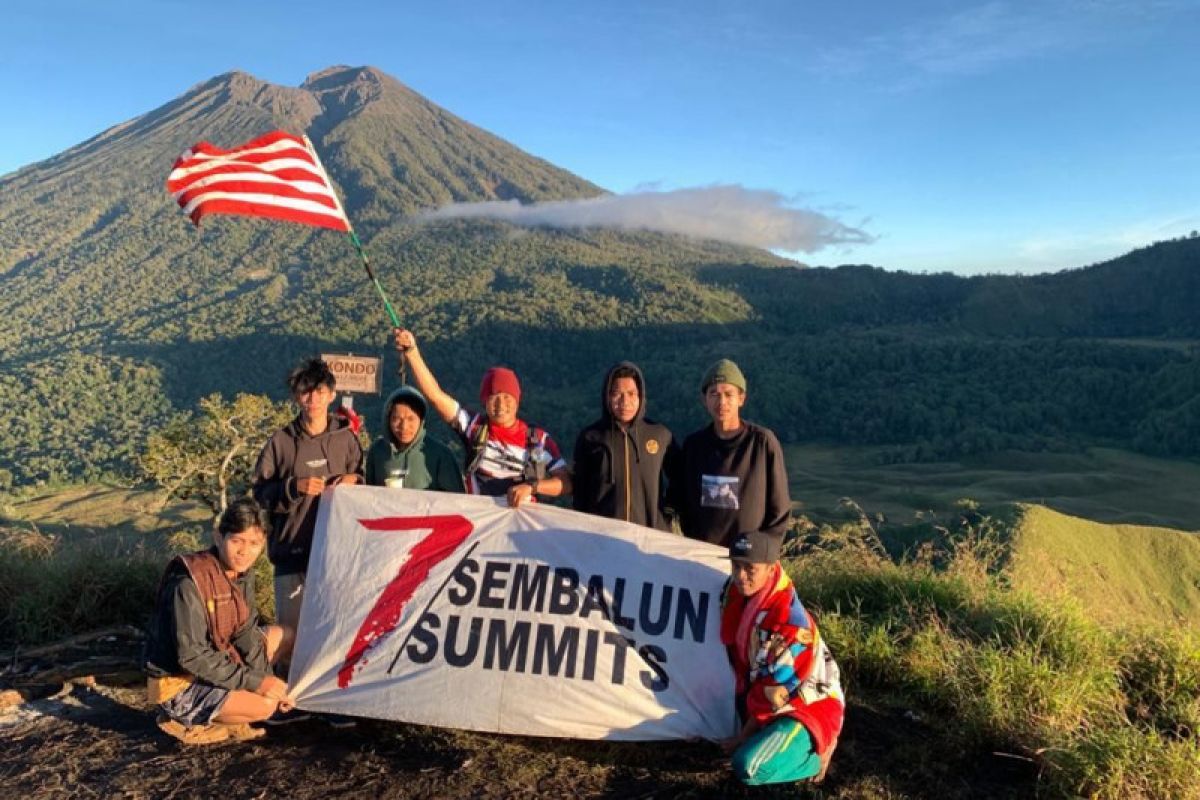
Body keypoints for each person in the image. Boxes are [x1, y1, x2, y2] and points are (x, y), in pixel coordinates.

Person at [143, 498, 295, 745]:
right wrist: (258, 684)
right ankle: (185, 721)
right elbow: (191, 657)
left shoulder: (242, 575)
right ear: (218, 537)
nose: (245, 551)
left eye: (255, 543)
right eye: (237, 541)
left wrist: (269, 681)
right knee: (267, 706)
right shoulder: (189, 583)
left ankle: (236, 713)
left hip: (217, 661)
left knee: (283, 634)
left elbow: (245, 633)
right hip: (180, 683)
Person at [720, 531, 844, 785]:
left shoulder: (791, 624)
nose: (740, 576)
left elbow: (773, 693)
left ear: (771, 568)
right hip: (759, 696)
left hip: (804, 705)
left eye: (750, 569)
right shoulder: (735, 594)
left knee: (749, 766)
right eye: (736, 565)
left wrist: (742, 737)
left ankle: (816, 756)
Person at [393, 328, 569, 507]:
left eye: (507, 398)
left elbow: (566, 483)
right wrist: (412, 353)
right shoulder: (474, 427)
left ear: (517, 400)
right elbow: (436, 396)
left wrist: (532, 487)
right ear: (485, 402)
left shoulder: (538, 439)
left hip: (522, 528)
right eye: (494, 398)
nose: (501, 405)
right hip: (482, 524)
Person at [253, 358, 364, 634]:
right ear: (295, 396)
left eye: (319, 391)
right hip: (291, 556)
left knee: (332, 637)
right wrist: (293, 487)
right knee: (290, 637)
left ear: (331, 394)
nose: (312, 398)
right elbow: (259, 493)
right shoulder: (281, 442)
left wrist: (355, 480)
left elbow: (365, 485)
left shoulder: (346, 439)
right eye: (305, 391)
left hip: (337, 558)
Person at [677, 359, 791, 547]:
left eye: (728, 394)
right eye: (714, 394)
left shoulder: (762, 443)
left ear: (741, 398)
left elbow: (780, 508)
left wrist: (763, 552)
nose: (721, 402)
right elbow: (683, 503)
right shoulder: (694, 446)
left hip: (750, 560)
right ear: (704, 399)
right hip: (702, 558)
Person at [571, 361, 679, 531]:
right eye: (617, 394)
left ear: (641, 396)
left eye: (631, 394)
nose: (624, 401)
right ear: (607, 396)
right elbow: (579, 492)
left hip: (650, 539)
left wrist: (666, 514)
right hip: (603, 539)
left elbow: (681, 478)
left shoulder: (660, 435)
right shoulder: (591, 437)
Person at [365, 385, 464, 493]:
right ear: (388, 419)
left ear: (421, 420)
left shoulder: (440, 455)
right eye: (396, 419)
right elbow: (370, 496)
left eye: (411, 419)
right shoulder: (377, 451)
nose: (404, 426)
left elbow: (456, 501)